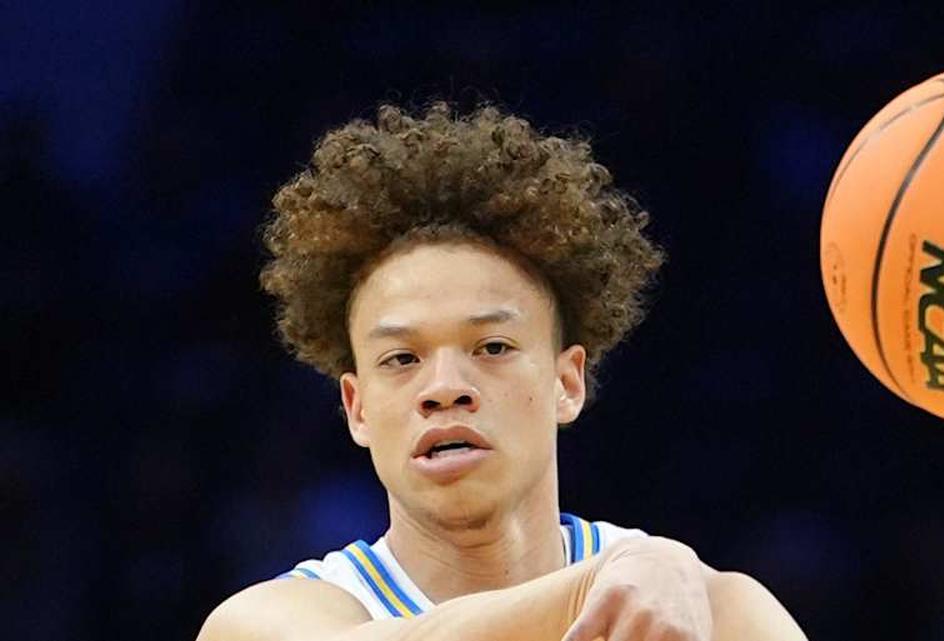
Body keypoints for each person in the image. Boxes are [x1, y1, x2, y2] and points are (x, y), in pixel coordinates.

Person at [196, 103, 808, 641]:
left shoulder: (718, 616)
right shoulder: (266, 623)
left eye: (491, 347)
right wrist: (600, 582)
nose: (444, 389)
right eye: (402, 359)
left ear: (567, 384)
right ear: (357, 408)